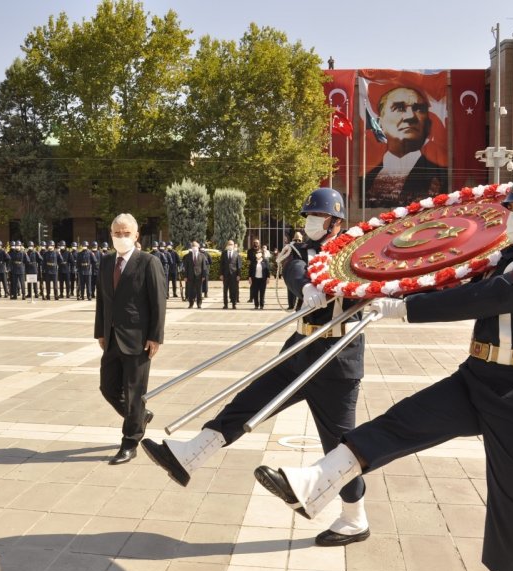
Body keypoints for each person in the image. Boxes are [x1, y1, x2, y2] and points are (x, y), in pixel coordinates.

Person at [254, 171, 513, 571]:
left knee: (510, 499)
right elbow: (449, 277)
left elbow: (483, 297)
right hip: (478, 376)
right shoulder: (507, 256)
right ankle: (316, 480)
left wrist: (405, 308)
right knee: (402, 421)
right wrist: (395, 288)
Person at [143, 187, 372, 548]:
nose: (311, 222)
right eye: (309, 216)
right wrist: (307, 285)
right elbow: (295, 269)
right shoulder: (299, 249)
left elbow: (371, 281)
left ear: (336, 221)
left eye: (319, 217)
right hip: (300, 349)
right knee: (246, 403)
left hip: (338, 359)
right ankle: (190, 456)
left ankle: (355, 518)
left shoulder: (358, 249)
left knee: (340, 447)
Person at [95, 213, 166, 465]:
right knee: (108, 387)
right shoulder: (105, 262)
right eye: (117, 233)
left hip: (139, 340)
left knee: (134, 391)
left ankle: (130, 441)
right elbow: (102, 300)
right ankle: (139, 416)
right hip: (112, 338)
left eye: (126, 233)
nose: (121, 237)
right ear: (110, 235)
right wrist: (100, 332)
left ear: (136, 236)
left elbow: (158, 301)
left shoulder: (148, 262)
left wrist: (155, 337)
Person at [364, 86, 448, 208]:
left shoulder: (441, 178)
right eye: (399, 108)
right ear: (380, 123)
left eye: (419, 109)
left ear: (428, 125)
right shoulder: (366, 180)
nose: (410, 116)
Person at [182, 241, 209, 309]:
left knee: (199, 290)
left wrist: (203, 276)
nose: (194, 247)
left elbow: (204, 267)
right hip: (190, 276)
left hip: (199, 276)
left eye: (195, 246)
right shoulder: (188, 256)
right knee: (191, 290)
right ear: (191, 247)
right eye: (193, 246)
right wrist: (185, 276)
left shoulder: (202, 255)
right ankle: (191, 303)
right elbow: (186, 267)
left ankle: (199, 304)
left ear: (198, 247)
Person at [248, 238, 271, 309]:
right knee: (255, 292)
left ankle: (261, 305)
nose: (258, 254)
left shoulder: (265, 261)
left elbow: (267, 270)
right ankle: (256, 305)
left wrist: (268, 278)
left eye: (260, 253)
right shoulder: (253, 262)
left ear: (262, 254)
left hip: (263, 279)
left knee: (262, 293)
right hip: (255, 279)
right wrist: (249, 278)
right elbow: (250, 270)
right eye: (257, 253)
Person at [220, 240, 242, 309]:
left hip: (234, 275)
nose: (230, 245)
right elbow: (221, 265)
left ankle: (234, 304)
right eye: (229, 244)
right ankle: (225, 304)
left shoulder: (236, 254)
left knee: (234, 290)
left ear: (233, 245)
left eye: (231, 244)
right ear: (227, 245)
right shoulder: (224, 253)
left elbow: (239, 265)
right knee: (225, 290)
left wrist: (239, 275)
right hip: (225, 275)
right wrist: (221, 274)